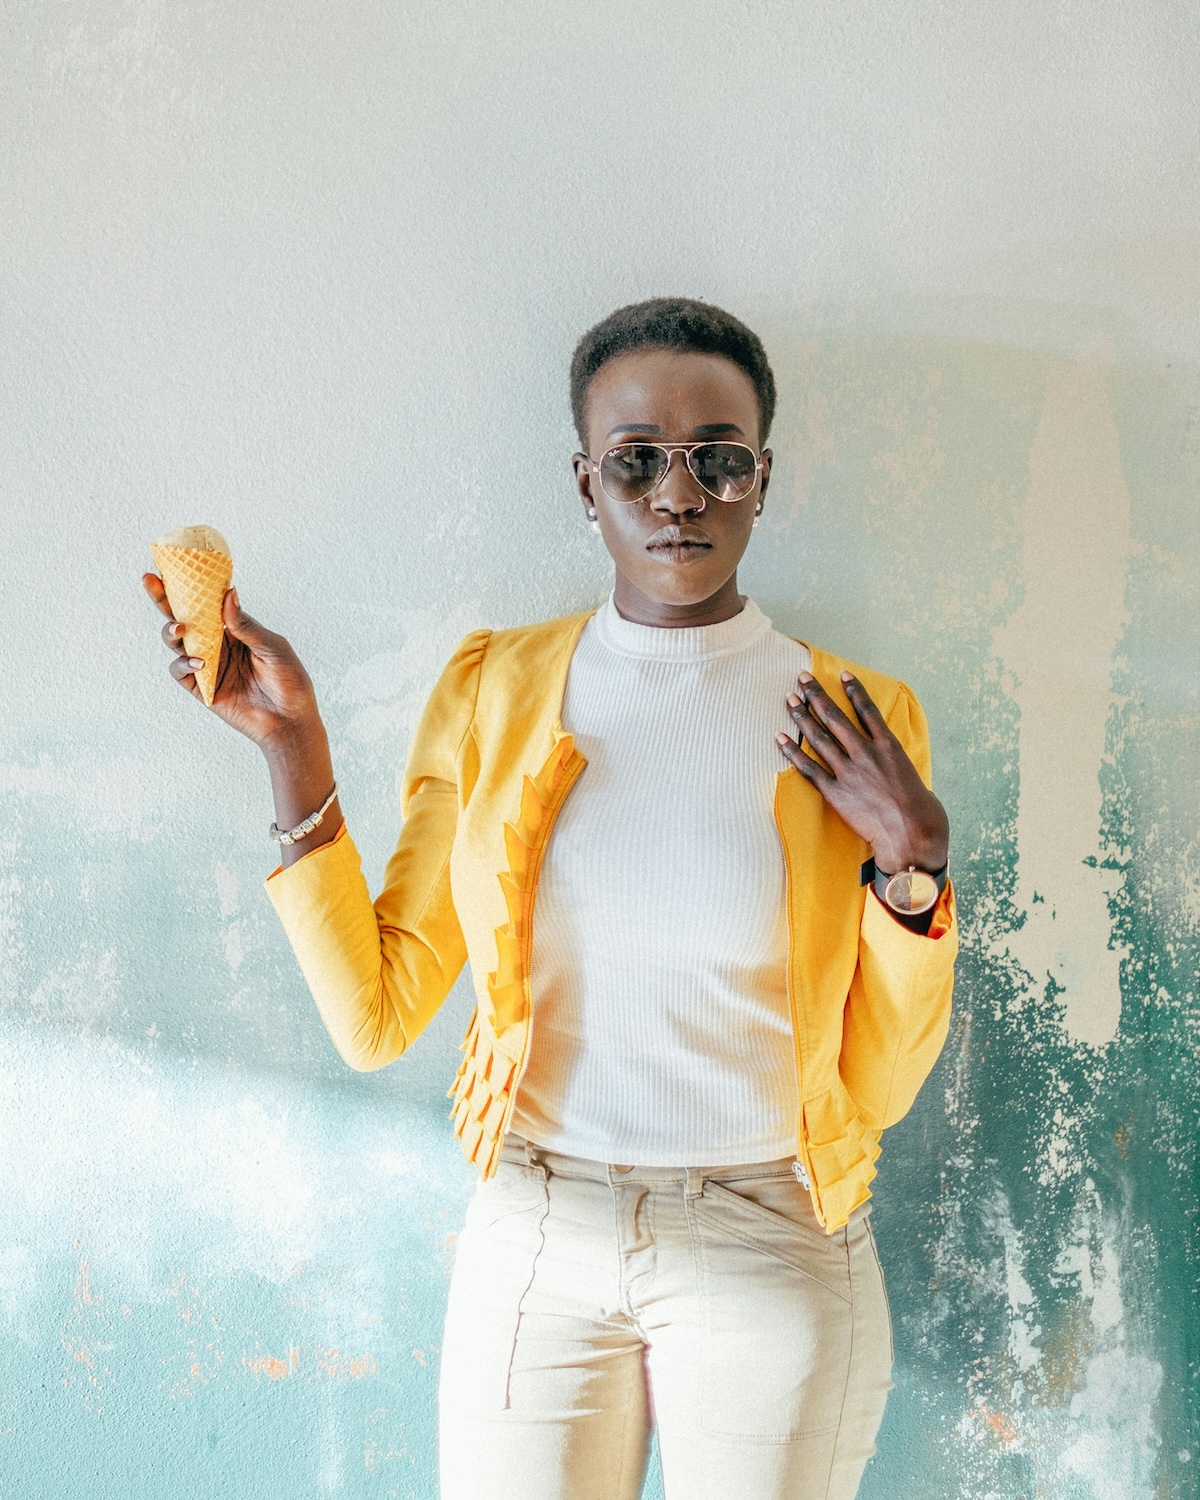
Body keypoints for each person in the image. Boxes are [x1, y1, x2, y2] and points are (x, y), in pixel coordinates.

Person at [143, 297, 956, 1500]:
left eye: (716, 459)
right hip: (536, 1230)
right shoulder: (493, 690)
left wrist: (914, 866)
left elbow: (878, 1086)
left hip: (771, 1232)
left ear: (762, 478)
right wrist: (294, 750)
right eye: (637, 461)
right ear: (587, 483)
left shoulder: (856, 716)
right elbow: (377, 1018)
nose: (678, 493)